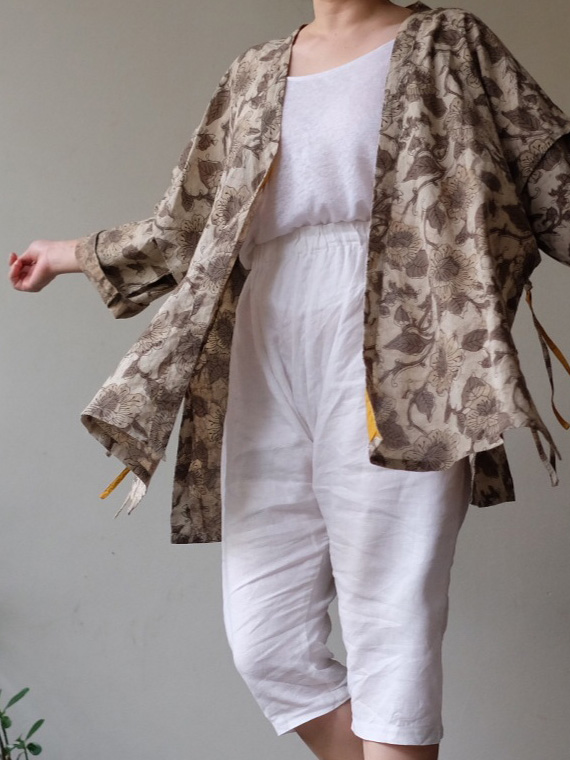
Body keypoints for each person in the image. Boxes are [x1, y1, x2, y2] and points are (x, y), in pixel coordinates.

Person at [8, 2, 570, 759]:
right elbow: (186, 224)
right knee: (265, 639)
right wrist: (70, 254)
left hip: (402, 340)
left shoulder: (448, 42)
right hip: (266, 341)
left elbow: (550, 175)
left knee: (390, 621)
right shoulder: (255, 71)